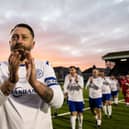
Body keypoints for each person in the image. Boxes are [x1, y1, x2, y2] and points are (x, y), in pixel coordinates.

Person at [0, 23, 64, 129]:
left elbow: (58, 102)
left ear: (33, 44)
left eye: (24, 37)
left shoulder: (45, 66)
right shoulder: (1, 68)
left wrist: (35, 83)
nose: (19, 41)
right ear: (10, 42)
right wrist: (11, 81)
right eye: (15, 37)